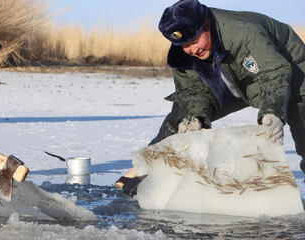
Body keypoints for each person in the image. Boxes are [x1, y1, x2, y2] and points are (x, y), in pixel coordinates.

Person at [115, 0, 305, 192]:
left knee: (302, 119)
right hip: (233, 79)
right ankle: (145, 172)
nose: (192, 50)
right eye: (185, 45)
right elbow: (193, 92)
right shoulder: (183, 55)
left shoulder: (242, 32)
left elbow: (273, 73)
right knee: (183, 116)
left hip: (291, 72)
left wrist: (273, 111)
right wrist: (196, 117)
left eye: (195, 41)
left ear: (206, 25)